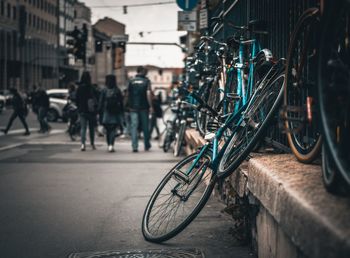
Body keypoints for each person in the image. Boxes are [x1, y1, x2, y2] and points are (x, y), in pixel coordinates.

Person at [127, 66, 153, 152]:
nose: (146, 73)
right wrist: (151, 106)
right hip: (144, 107)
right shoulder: (146, 81)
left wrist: (127, 105)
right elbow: (148, 94)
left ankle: (134, 146)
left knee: (134, 126)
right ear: (141, 71)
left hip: (133, 107)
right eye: (145, 71)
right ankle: (146, 145)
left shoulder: (131, 81)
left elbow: (127, 94)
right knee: (145, 126)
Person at [99, 74, 124, 152]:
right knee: (113, 129)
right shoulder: (117, 90)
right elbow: (121, 101)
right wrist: (122, 111)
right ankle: (111, 145)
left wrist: (99, 112)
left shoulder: (104, 90)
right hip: (115, 112)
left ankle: (108, 145)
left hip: (106, 112)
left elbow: (101, 102)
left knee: (108, 130)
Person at [76, 71, 97, 151]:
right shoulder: (91, 87)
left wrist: (79, 107)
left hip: (82, 110)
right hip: (90, 110)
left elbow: (77, 99)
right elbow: (95, 98)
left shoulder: (79, 88)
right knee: (91, 128)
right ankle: (92, 144)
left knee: (83, 128)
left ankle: (82, 144)